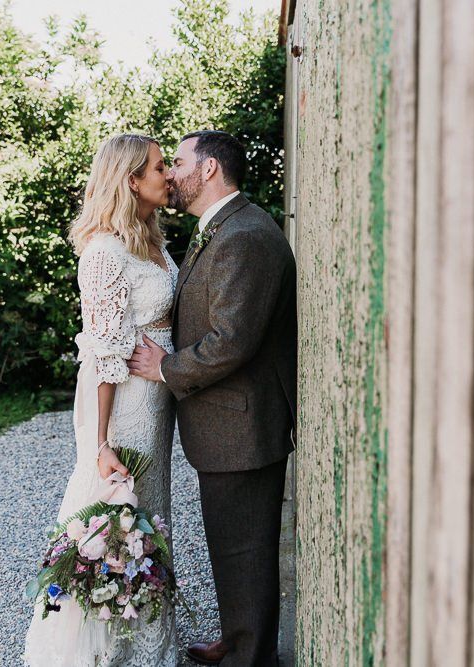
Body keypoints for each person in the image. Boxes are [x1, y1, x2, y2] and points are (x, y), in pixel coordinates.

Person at [129, 130, 297, 666]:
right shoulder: (223, 226)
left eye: (177, 162)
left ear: (207, 170)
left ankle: (252, 657)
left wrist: (166, 367)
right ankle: (237, 636)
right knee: (231, 543)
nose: (171, 173)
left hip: (242, 426)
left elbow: (232, 339)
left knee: (245, 548)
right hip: (227, 424)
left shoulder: (244, 235)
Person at [23, 133, 178, 667]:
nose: (170, 174)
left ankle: (146, 641)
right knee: (112, 519)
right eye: (160, 167)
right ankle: (99, 652)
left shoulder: (150, 240)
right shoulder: (104, 252)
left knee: (151, 521)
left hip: (159, 405)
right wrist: (102, 441)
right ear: (131, 180)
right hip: (128, 408)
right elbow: (105, 354)